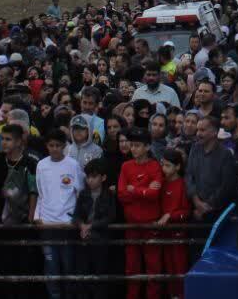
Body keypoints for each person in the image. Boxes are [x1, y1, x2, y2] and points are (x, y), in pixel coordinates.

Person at [35, 128, 84, 299]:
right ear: (46, 146)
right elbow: (40, 194)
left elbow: (79, 194)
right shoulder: (41, 165)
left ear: (64, 146)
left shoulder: (73, 165)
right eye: (51, 145)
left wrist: (76, 219)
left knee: (69, 266)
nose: (54, 148)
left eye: (58, 145)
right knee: (51, 267)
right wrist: (37, 217)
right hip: (47, 225)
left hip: (67, 225)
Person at [118, 127, 163, 299]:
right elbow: (122, 195)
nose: (133, 149)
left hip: (150, 224)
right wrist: (144, 190)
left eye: (137, 145)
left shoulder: (154, 166)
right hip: (132, 225)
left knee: (154, 268)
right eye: (132, 145)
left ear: (147, 147)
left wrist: (134, 190)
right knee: (132, 268)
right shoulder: (126, 166)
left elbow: (155, 195)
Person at [73, 158, 117, 299]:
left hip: (100, 242)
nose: (89, 180)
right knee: (83, 277)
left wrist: (90, 226)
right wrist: (81, 225)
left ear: (103, 177)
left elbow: (110, 217)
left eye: (93, 177)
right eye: (88, 177)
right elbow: (76, 216)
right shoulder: (83, 194)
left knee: (100, 276)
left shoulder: (109, 195)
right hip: (84, 241)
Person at [185, 116, 237, 223]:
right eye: (198, 130)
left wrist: (207, 206)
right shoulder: (195, 149)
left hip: (217, 212)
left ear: (214, 132)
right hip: (195, 209)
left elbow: (226, 185)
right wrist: (197, 202)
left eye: (202, 130)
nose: (198, 134)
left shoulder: (225, 154)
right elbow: (189, 176)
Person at [157, 148, 191, 299]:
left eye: (168, 165)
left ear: (177, 167)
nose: (164, 169)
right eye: (163, 165)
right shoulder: (161, 184)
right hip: (163, 234)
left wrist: (170, 215)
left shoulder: (182, 184)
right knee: (168, 269)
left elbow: (186, 211)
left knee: (179, 269)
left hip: (178, 235)